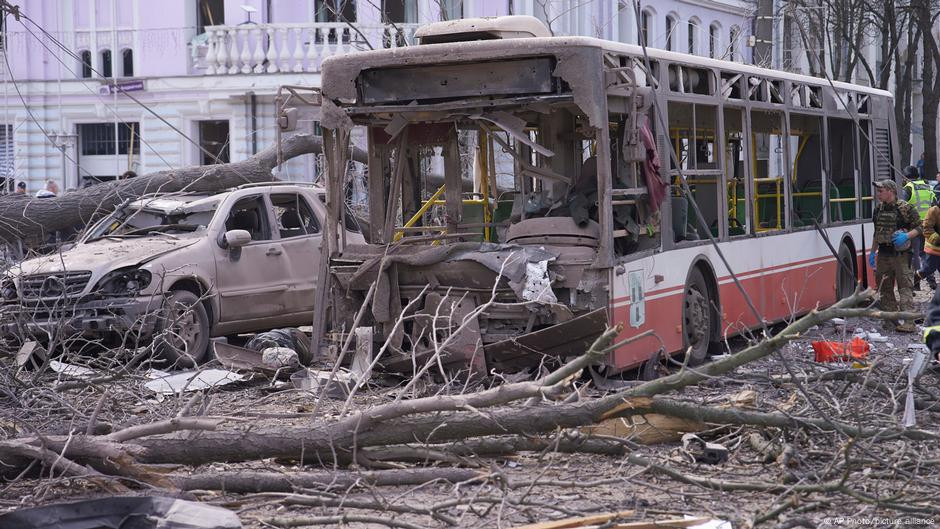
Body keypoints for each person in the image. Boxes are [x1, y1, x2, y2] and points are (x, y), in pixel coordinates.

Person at [869, 179, 922, 333]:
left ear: (890, 191)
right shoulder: (878, 210)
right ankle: (891, 320)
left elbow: (920, 226)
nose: (878, 194)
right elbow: (876, 232)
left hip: (901, 256)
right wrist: (873, 251)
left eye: (881, 191)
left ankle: (909, 322)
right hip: (884, 254)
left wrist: (907, 236)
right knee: (885, 288)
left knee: (905, 287)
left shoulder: (905, 208)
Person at [902, 166, 933, 290]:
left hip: (914, 226)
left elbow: (902, 207)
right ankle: (931, 280)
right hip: (929, 224)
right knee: (927, 253)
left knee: (914, 255)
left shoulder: (908, 188)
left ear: (905, 177)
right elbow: (935, 204)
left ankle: (916, 283)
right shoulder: (928, 187)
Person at [917, 200, 940, 290]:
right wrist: (938, 239)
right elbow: (927, 228)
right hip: (934, 250)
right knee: (927, 270)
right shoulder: (934, 210)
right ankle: (910, 285)